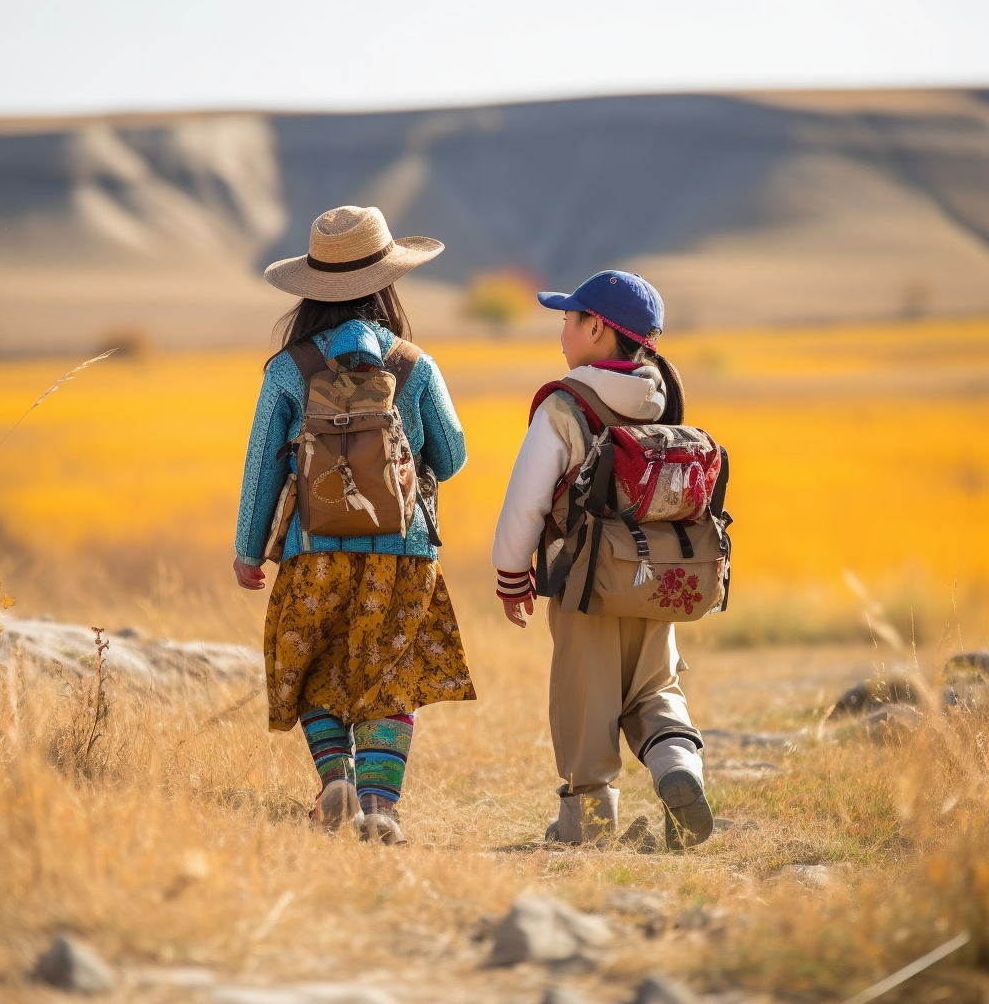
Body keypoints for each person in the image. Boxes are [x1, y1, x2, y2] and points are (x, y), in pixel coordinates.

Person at [234, 205, 474, 845]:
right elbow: (450, 459)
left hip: (311, 550)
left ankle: (333, 779)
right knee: (389, 677)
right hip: (405, 552)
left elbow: (262, 467)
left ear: (311, 289)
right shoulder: (415, 365)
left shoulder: (288, 369)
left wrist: (248, 551)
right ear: (388, 280)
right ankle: (379, 808)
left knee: (314, 667)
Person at [492, 270, 713, 849]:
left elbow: (527, 500)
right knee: (654, 688)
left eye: (570, 317)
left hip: (584, 582)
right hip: (658, 580)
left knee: (584, 700)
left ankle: (587, 826)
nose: (562, 328)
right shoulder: (664, 397)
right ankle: (678, 769)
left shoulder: (567, 405)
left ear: (597, 328)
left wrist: (512, 575)